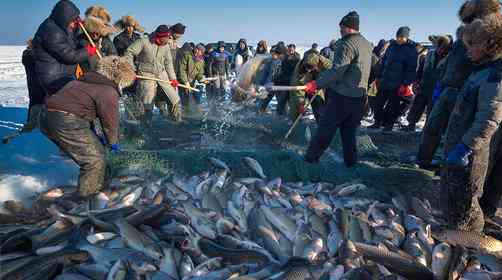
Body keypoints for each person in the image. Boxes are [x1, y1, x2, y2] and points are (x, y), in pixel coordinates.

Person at [416, 0, 501, 169]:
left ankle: (449, 168)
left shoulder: (488, 37)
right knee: (432, 127)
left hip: (467, 92)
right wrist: (441, 82)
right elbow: (451, 62)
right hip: (448, 87)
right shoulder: (463, 36)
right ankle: (423, 159)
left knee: (454, 133)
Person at [40, 56, 136, 200]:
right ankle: (86, 201)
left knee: (94, 151)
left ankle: (94, 185)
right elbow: (110, 122)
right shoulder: (108, 91)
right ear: (120, 79)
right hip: (65, 121)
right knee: (94, 160)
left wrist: (96, 138)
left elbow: (81, 107)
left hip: (46, 117)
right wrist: (113, 142)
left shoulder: (83, 80)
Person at [441, 13, 502, 232]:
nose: (467, 51)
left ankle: (470, 241)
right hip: (459, 144)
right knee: (453, 195)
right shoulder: (480, 70)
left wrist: (465, 147)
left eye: (471, 45)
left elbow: (489, 118)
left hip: (472, 153)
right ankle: (454, 230)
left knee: (467, 200)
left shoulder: (495, 76)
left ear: (488, 44)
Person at [303, 11, 372, 167]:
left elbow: (337, 70)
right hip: (359, 97)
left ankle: (310, 161)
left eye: (342, 27)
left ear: (349, 27)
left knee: (325, 130)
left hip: (342, 97)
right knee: (349, 134)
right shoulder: (367, 44)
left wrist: (317, 84)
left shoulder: (346, 44)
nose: (340, 31)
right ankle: (351, 164)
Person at [32, 0, 97, 96]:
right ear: (64, 18)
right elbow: (70, 56)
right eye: (72, 21)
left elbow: (71, 41)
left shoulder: (60, 26)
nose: (73, 24)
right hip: (54, 77)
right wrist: (88, 51)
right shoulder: (52, 32)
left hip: (62, 73)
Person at [125, 25, 181, 126]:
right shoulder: (144, 42)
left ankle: (175, 123)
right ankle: (146, 125)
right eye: (165, 39)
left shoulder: (166, 46)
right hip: (146, 76)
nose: (167, 41)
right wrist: (131, 69)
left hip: (161, 76)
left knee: (174, 99)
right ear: (158, 37)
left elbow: (168, 63)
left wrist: (173, 78)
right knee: (147, 103)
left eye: (168, 38)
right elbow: (129, 52)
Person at [371, 26, 418, 131]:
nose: (399, 39)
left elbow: (411, 68)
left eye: (402, 37)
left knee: (393, 106)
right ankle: (377, 122)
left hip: (398, 83)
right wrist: (378, 76)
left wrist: (405, 83)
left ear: (406, 37)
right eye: (398, 36)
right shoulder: (391, 46)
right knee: (378, 103)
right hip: (385, 80)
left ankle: (389, 125)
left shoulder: (411, 49)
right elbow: (383, 62)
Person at [404, 35, 451, 131]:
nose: (440, 49)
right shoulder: (430, 55)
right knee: (417, 106)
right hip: (424, 85)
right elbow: (421, 69)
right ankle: (411, 124)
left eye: (443, 47)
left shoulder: (449, 59)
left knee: (432, 109)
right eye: (439, 46)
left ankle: (427, 128)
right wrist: (416, 81)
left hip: (436, 88)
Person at [289, 51, 332, 123]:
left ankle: (321, 124)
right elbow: (297, 87)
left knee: (319, 105)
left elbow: (334, 72)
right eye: (307, 67)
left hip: (318, 85)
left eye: (311, 67)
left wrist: (319, 82)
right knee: (295, 106)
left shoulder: (325, 63)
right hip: (303, 85)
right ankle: (295, 122)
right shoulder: (299, 69)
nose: (308, 70)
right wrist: (300, 104)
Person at [259, 45, 287, 114]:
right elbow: (265, 74)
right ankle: (261, 112)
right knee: (264, 102)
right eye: (272, 52)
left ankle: (281, 116)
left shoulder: (285, 62)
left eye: (276, 52)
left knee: (281, 105)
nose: (274, 54)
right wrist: (261, 84)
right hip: (270, 85)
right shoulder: (269, 62)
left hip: (280, 87)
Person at [178, 44, 206, 111]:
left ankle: (195, 113)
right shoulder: (187, 56)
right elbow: (182, 70)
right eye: (200, 52)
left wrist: (202, 80)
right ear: (196, 49)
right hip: (183, 82)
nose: (201, 54)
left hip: (192, 83)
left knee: (195, 101)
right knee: (184, 101)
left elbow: (199, 74)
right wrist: (186, 82)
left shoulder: (201, 61)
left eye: (202, 53)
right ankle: (184, 114)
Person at [366, 39, 390, 118]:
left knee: (374, 99)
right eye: (385, 47)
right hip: (373, 80)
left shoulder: (379, 55)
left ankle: (372, 113)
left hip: (376, 80)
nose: (385, 49)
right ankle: (371, 113)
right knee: (372, 99)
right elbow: (374, 68)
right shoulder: (374, 56)